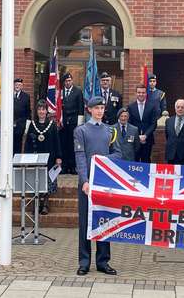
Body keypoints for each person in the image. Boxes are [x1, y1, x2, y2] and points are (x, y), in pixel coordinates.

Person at [75, 96, 122, 276]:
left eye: (102, 108)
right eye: (97, 108)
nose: (100, 111)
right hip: (87, 184)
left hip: (104, 183)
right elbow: (79, 157)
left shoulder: (110, 131)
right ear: (89, 110)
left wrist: (102, 160)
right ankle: (84, 262)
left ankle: (103, 261)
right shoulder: (81, 131)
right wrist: (84, 181)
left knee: (104, 221)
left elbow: (118, 154)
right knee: (85, 223)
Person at [25, 100, 63, 214]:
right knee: (35, 180)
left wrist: (58, 157)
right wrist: (26, 157)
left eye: (43, 109)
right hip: (35, 158)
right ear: (36, 111)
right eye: (39, 109)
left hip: (50, 158)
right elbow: (27, 143)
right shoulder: (32, 124)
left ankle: (45, 204)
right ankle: (36, 204)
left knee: (48, 180)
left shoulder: (52, 125)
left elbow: (57, 142)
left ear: (47, 111)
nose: (41, 111)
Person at [126, 84, 160, 163]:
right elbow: (129, 123)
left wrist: (145, 135)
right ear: (136, 93)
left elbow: (153, 124)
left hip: (147, 139)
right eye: (139, 92)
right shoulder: (130, 107)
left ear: (146, 94)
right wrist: (137, 136)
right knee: (134, 161)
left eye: (143, 92)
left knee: (146, 160)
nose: (141, 94)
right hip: (134, 139)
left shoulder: (152, 106)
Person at [61, 72, 85, 173]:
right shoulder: (60, 92)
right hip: (63, 122)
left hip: (74, 121)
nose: (68, 82)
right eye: (66, 81)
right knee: (63, 144)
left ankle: (73, 166)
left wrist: (79, 124)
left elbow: (81, 108)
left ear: (72, 81)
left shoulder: (78, 91)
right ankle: (64, 166)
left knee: (73, 145)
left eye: (69, 81)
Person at [13, 78, 31, 154]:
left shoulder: (26, 96)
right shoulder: (8, 94)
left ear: (22, 86)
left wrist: (27, 126)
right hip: (9, 125)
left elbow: (28, 112)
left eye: (19, 85)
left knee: (18, 144)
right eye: (16, 84)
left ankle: (15, 163)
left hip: (20, 125)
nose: (17, 86)